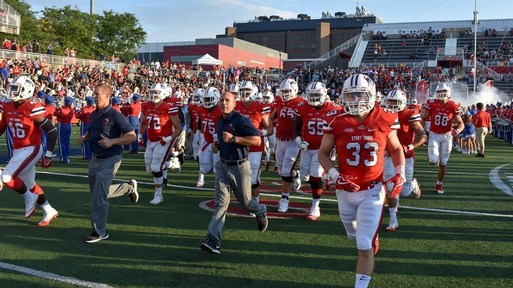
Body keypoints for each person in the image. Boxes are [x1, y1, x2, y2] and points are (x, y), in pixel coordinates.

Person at [318, 74, 405, 288]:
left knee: (364, 244)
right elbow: (322, 154)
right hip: (344, 192)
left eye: (360, 95)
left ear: (371, 95)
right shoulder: (336, 121)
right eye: (351, 95)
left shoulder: (384, 117)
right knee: (352, 234)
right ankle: (370, 237)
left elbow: (395, 148)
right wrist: (336, 176)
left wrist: (400, 172)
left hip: (372, 190)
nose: (355, 100)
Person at [201, 91, 268, 255]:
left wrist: (235, 139)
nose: (224, 103)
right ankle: (213, 240)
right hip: (223, 166)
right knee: (221, 204)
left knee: (246, 203)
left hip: (239, 167)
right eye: (222, 100)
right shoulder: (220, 121)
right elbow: (222, 141)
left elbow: (257, 140)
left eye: (227, 100)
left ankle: (260, 210)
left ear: (234, 103)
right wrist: (217, 147)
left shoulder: (241, 120)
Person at [76, 83, 139, 243]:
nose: (93, 96)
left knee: (99, 196)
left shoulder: (116, 115)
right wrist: (85, 138)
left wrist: (113, 141)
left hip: (111, 158)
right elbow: (92, 131)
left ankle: (100, 232)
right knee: (98, 192)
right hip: (95, 158)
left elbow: (132, 136)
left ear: (107, 96)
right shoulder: (94, 114)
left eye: (97, 94)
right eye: (94, 93)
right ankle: (128, 188)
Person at [0, 75, 59, 226]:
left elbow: (52, 131)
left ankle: (28, 197)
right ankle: (49, 209)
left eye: (15, 89)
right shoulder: (7, 105)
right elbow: (2, 127)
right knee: (31, 185)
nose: (11, 92)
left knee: (6, 177)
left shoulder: (32, 106)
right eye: (11, 88)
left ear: (26, 90)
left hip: (32, 148)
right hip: (19, 149)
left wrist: (48, 155)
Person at [293, 81, 340, 220]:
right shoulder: (302, 107)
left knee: (315, 175)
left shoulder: (333, 109)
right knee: (305, 178)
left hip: (322, 150)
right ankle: (305, 175)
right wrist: (298, 140)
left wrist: (335, 147)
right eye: (311, 95)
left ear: (324, 94)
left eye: (316, 94)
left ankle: (315, 206)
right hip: (307, 148)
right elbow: (296, 126)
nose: (313, 97)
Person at [382, 89, 427, 231]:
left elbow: (423, 135)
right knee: (391, 188)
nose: (393, 105)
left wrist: (411, 146)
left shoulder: (409, 114)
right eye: (391, 102)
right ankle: (393, 220)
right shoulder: (383, 113)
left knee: (405, 191)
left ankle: (413, 184)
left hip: (406, 156)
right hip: (389, 155)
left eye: (396, 102)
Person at [138, 83, 183, 205]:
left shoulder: (169, 107)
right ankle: (170, 163)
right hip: (151, 140)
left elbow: (178, 128)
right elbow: (143, 123)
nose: (153, 95)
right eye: (152, 92)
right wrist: (140, 135)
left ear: (163, 93)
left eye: (156, 92)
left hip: (164, 140)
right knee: (149, 168)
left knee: (156, 167)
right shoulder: (146, 105)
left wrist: (168, 139)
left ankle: (158, 195)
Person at [421, 83, 464, 194]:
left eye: (443, 91)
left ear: (448, 92)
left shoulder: (453, 105)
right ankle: (436, 159)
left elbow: (461, 123)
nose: (441, 94)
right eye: (439, 92)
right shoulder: (432, 103)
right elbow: (423, 118)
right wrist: (421, 132)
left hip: (447, 136)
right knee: (432, 161)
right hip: (434, 134)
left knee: (443, 162)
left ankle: (439, 184)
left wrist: (457, 130)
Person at [270, 78, 305, 213]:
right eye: (283, 91)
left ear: (294, 90)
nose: (285, 94)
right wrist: (270, 123)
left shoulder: (301, 103)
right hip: (280, 139)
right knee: (281, 170)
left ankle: (284, 199)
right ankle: (295, 175)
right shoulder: (279, 101)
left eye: (287, 91)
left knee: (285, 171)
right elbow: (273, 116)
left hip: (293, 141)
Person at [235, 81, 273, 205]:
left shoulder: (261, 107)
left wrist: (259, 133)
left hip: (255, 148)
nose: (244, 94)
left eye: (247, 91)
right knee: (237, 176)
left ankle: (255, 202)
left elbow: (270, 130)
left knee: (253, 178)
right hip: (238, 146)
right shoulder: (236, 105)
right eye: (242, 91)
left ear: (254, 92)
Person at [195, 87, 222, 188]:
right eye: (205, 99)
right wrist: (197, 133)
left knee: (217, 168)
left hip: (218, 141)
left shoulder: (221, 109)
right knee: (204, 167)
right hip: (206, 139)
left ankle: (221, 184)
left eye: (208, 99)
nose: (206, 102)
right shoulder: (200, 108)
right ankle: (201, 177)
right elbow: (199, 121)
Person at [54, 96, 74, 163]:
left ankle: (63, 158)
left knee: (61, 142)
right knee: (67, 142)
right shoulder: (71, 110)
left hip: (62, 125)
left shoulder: (62, 110)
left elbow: (55, 113)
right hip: (69, 125)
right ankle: (67, 156)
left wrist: (59, 107)